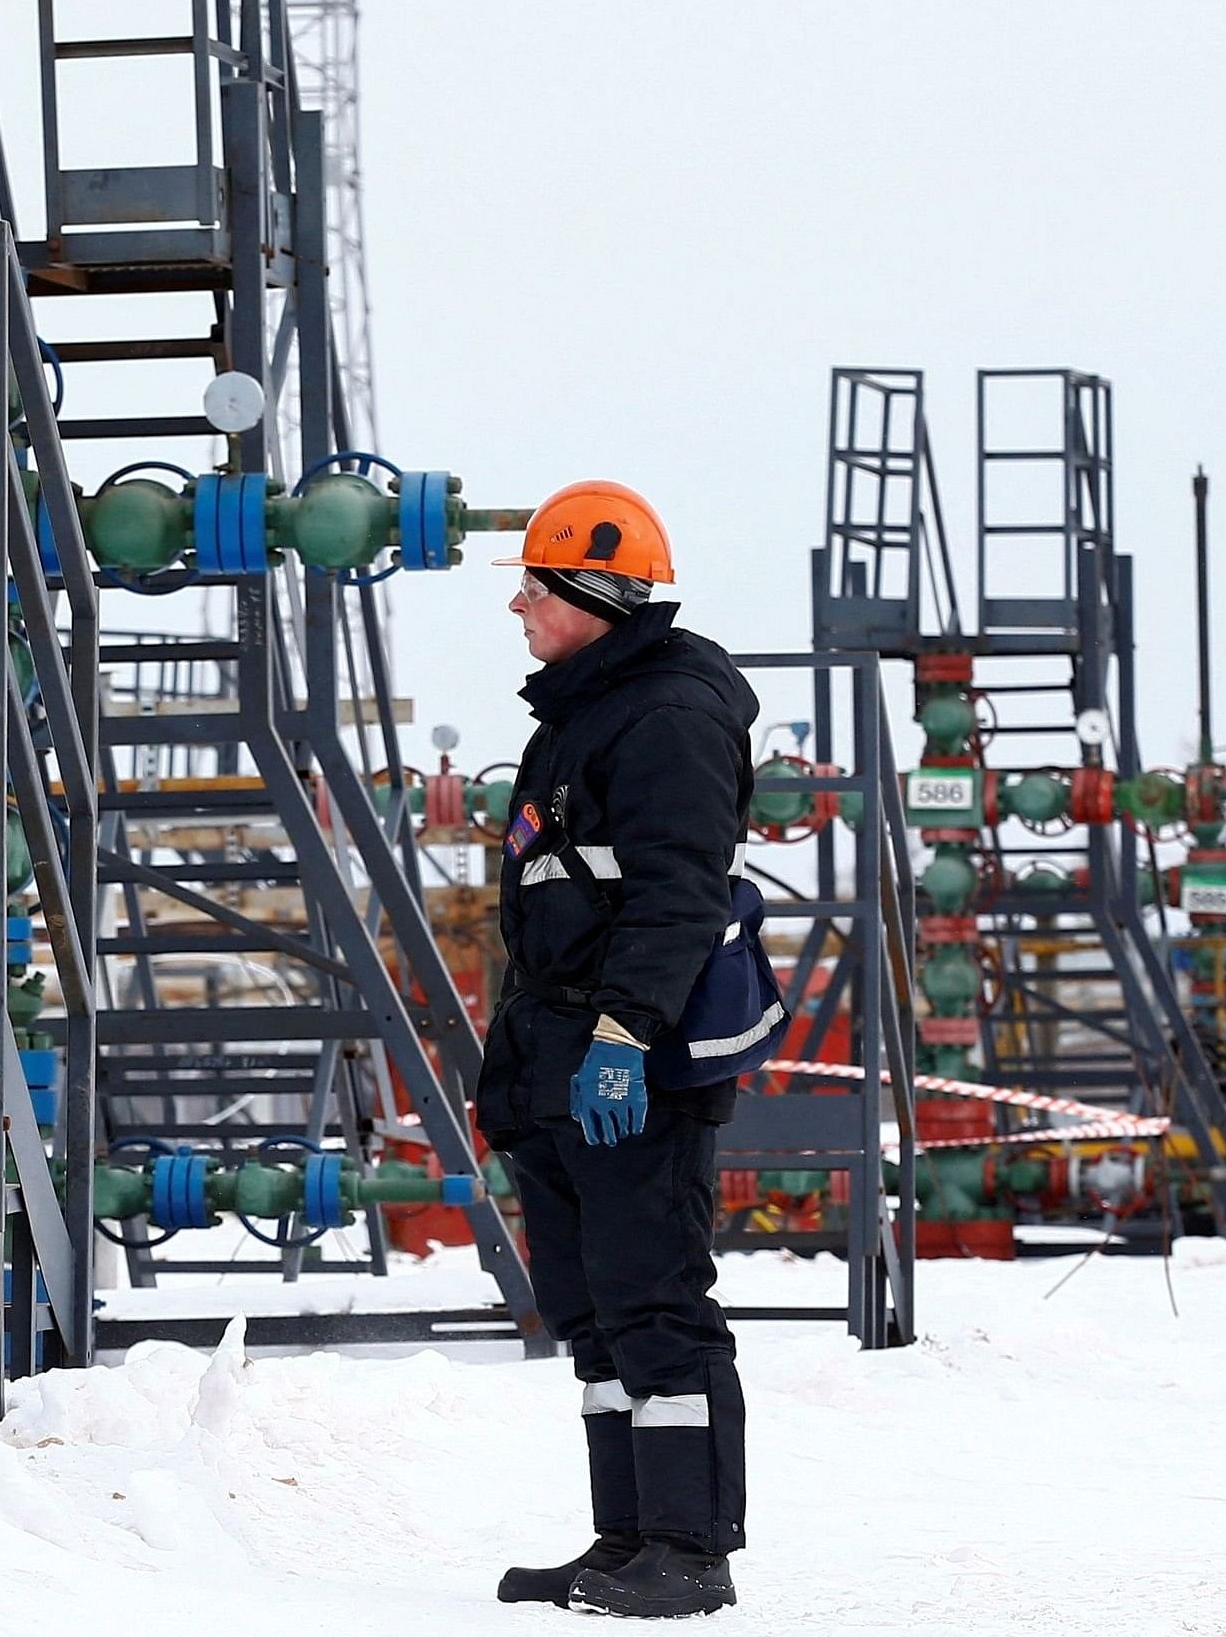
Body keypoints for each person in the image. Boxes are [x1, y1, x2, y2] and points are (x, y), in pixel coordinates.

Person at [475, 482, 753, 1618]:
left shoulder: (668, 715)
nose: (517, 607)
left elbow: (677, 894)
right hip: (557, 1058)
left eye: (533, 587)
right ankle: (621, 1538)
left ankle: (688, 1552)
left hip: (624, 1060)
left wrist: (620, 1034)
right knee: (589, 1310)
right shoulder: (578, 712)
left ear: (587, 592)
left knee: (652, 1300)